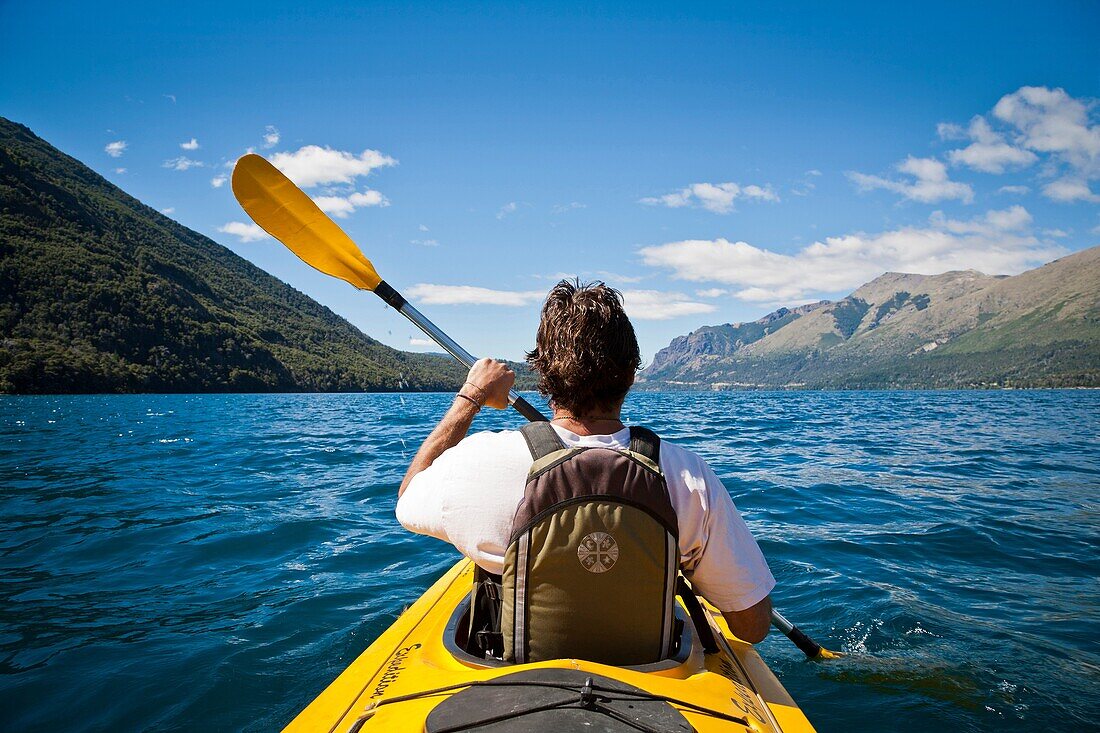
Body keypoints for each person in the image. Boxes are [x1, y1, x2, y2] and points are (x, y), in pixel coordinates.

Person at [396, 280, 774, 644]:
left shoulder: (478, 463)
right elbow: (752, 626)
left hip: (517, 685)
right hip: (652, 685)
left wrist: (472, 395)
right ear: (631, 373)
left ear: (542, 372)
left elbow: (407, 500)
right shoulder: (689, 476)